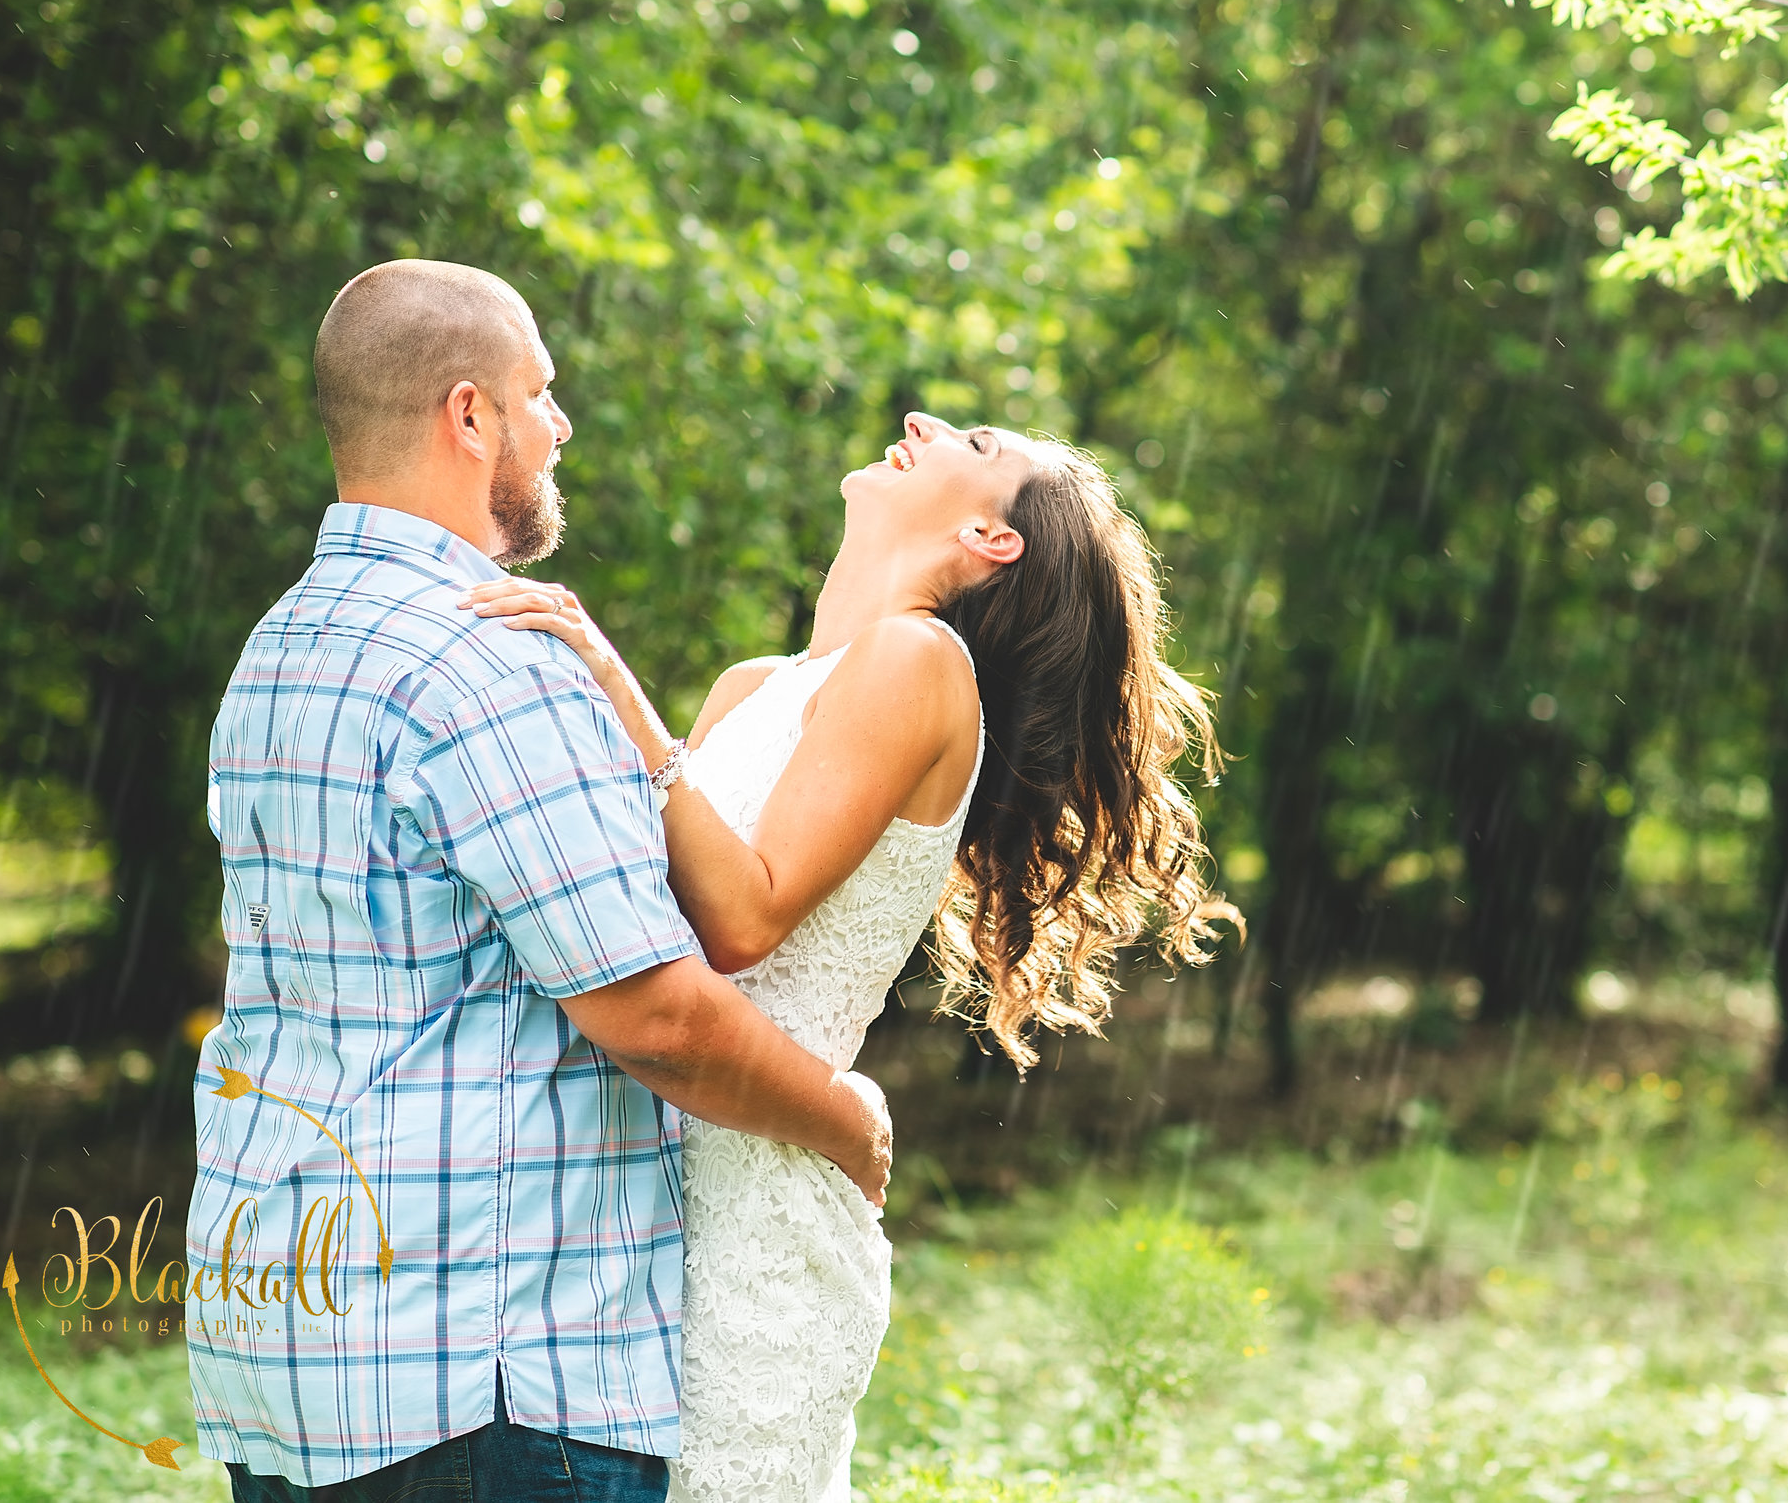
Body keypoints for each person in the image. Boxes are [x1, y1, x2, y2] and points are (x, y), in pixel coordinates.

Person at [190, 259, 891, 1503]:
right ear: (470, 415)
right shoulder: (489, 655)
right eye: (540, 393)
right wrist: (842, 1119)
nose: (558, 425)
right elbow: (658, 1017)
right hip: (480, 1381)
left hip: (294, 1348)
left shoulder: (280, 646)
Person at [461, 409, 1228, 1502]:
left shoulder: (919, 661)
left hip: (759, 1213)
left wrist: (607, 677)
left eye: (973, 442)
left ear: (989, 537)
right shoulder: (748, 688)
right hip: (635, 1192)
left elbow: (742, 919)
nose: (922, 420)